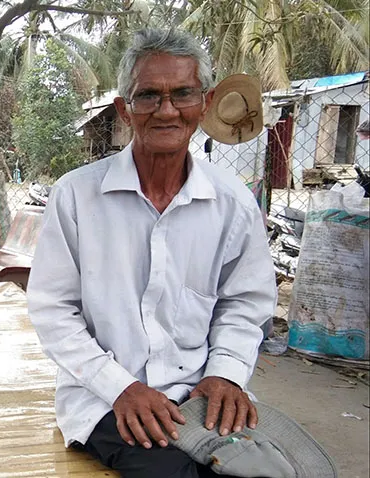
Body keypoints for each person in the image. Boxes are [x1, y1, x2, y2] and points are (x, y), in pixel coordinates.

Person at [26, 28, 276, 478]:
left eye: (182, 93)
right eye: (148, 96)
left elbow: (245, 304)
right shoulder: (77, 196)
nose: (166, 110)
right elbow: (52, 310)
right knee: (170, 473)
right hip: (105, 395)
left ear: (206, 101)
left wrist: (225, 373)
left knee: (264, 469)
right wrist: (121, 388)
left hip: (203, 391)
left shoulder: (232, 201)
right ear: (125, 109)